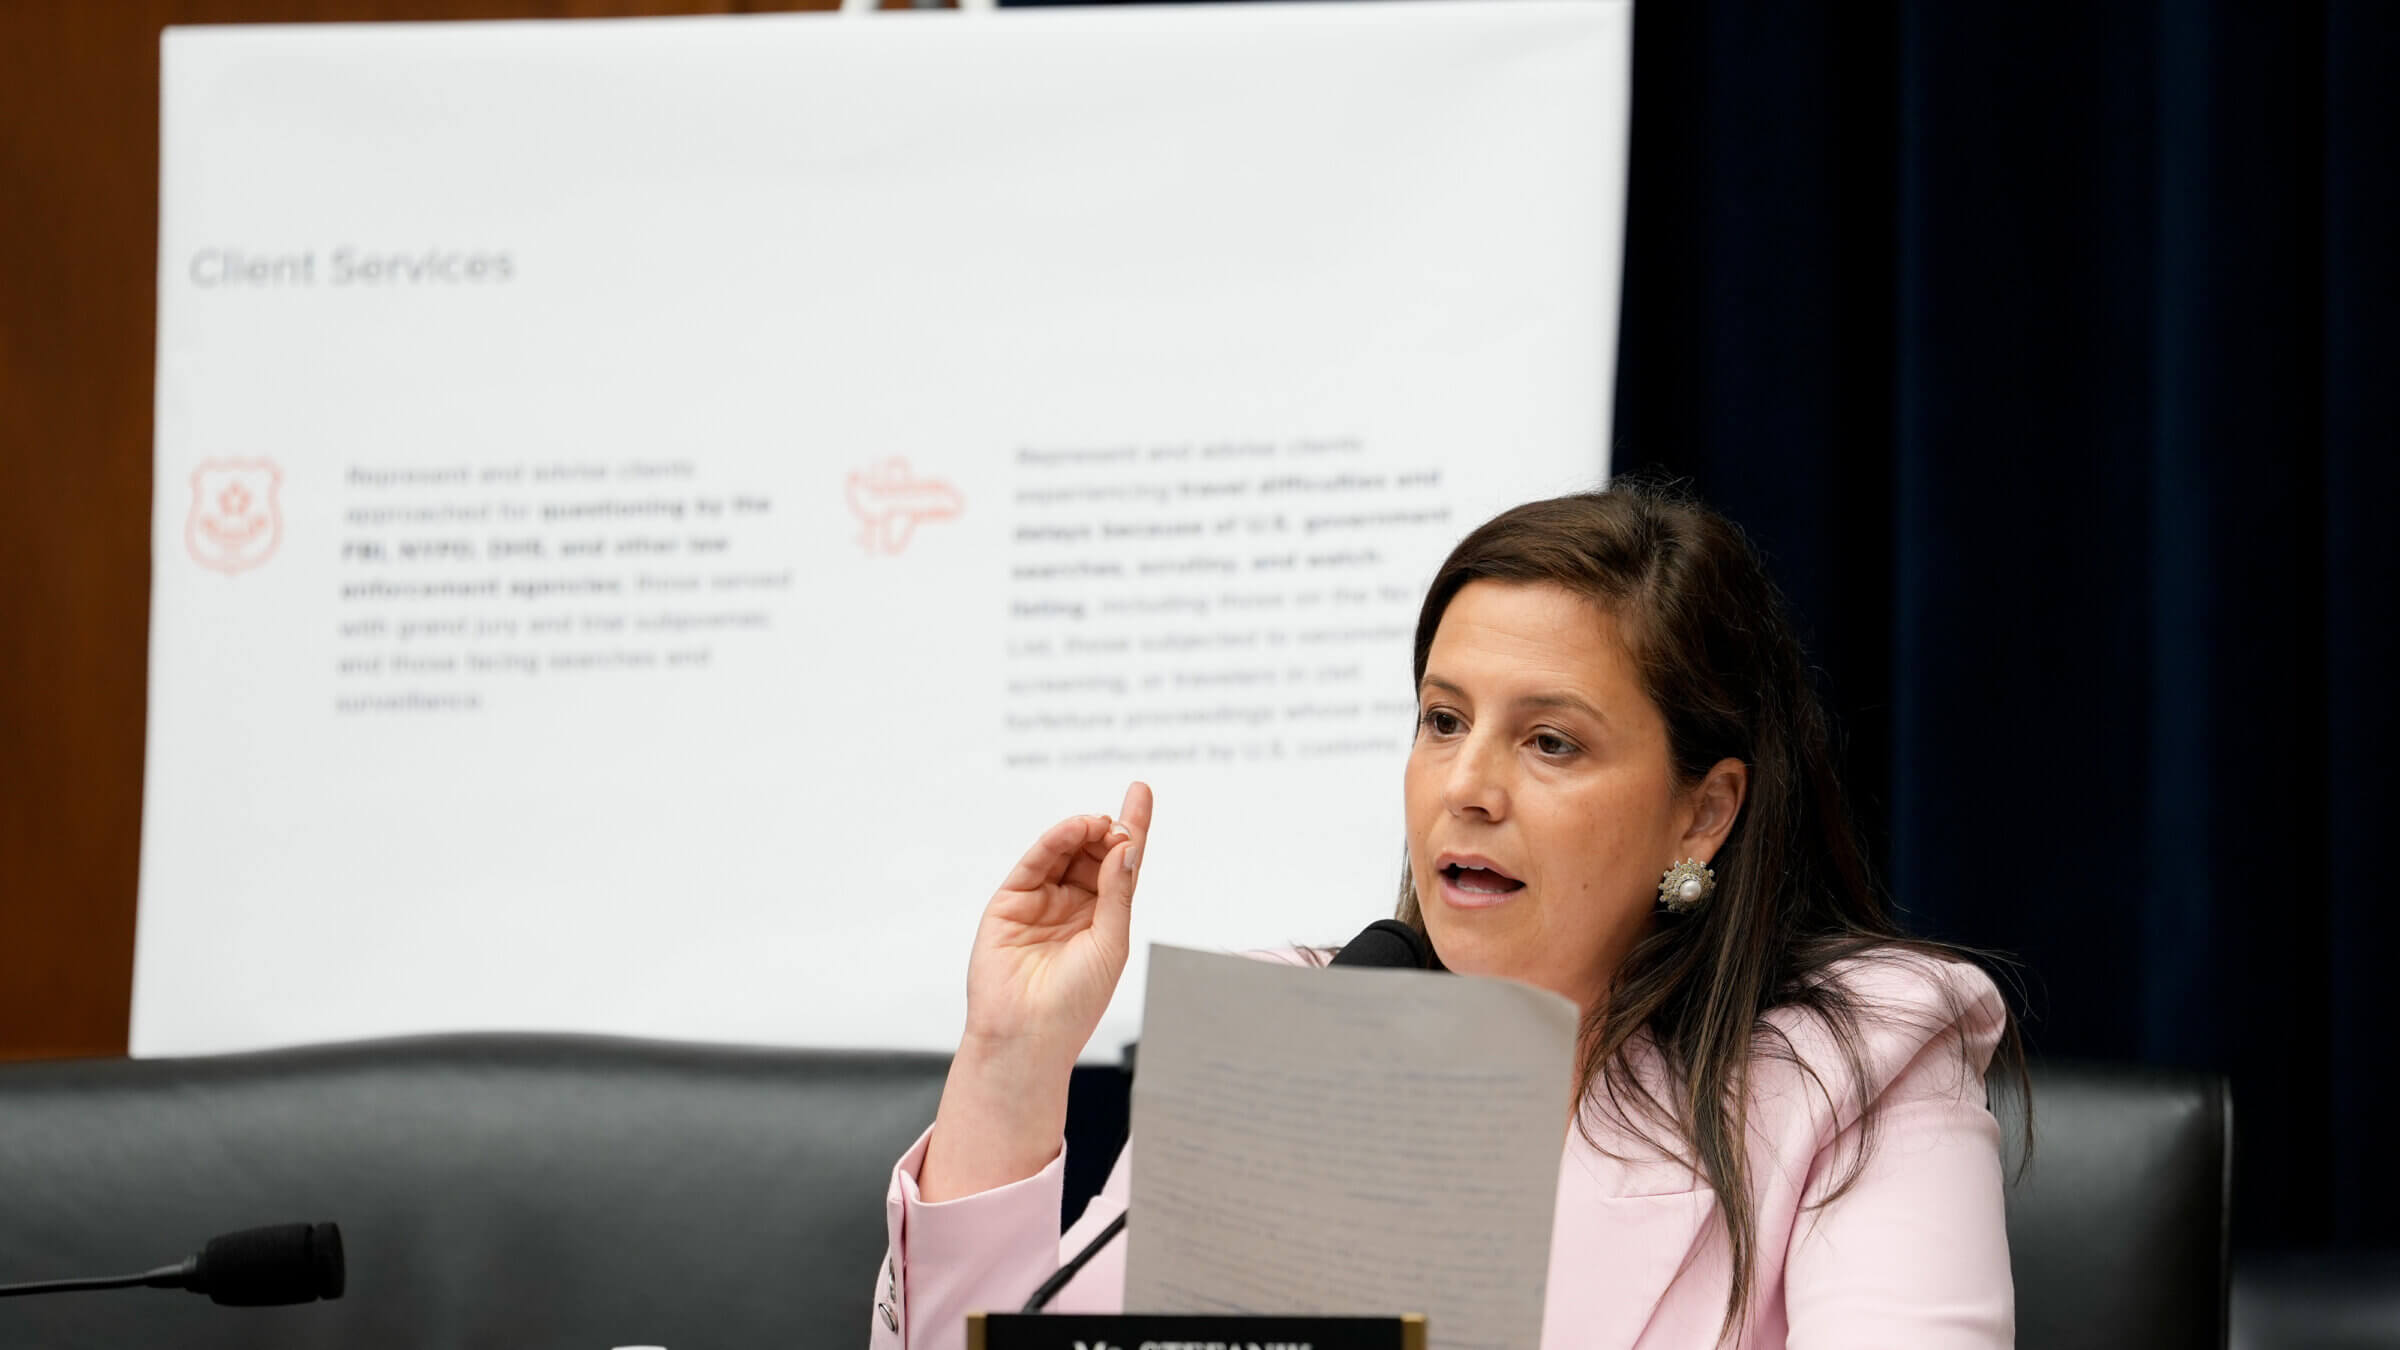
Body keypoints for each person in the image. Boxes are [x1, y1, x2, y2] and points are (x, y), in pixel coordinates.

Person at [867, 483, 2026, 1349]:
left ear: (1703, 813)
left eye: (1550, 741)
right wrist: (1013, 1062)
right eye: (1441, 720)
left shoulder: (1859, 1069)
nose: (1468, 786)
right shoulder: (1308, 1027)